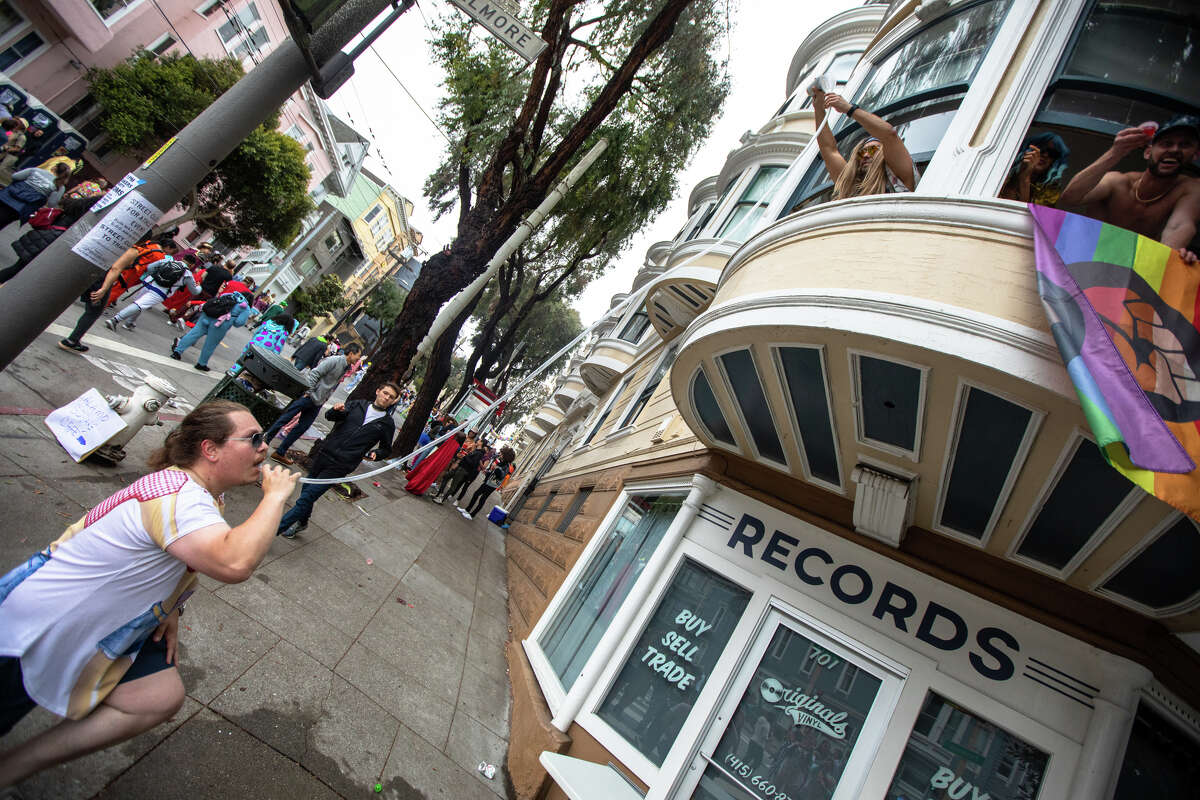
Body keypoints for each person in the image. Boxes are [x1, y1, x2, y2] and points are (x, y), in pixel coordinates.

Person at [0, 401, 300, 785]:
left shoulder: (198, 491)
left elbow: (171, 555)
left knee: (156, 696)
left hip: (88, 621)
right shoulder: (182, 496)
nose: (264, 447)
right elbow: (233, 563)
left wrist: (169, 610)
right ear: (210, 449)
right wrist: (274, 498)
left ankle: (13, 767)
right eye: (253, 438)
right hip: (45, 620)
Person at [1059, 115, 1200, 263]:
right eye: (1166, 143)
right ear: (1147, 152)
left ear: (1194, 155)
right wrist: (1116, 152)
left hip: (1131, 274)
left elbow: (1179, 227)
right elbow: (1070, 198)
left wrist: (1176, 259)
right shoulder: (1118, 182)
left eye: (1185, 145)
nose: (1175, 150)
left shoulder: (1189, 190)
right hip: (1082, 260)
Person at [275, 383, 399, 538]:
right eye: (385, 393)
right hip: (324, 454)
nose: (386, 397)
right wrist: (335, 411)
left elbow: (386, 449)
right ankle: (303, 522)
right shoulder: (357, 405)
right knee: (306, 492)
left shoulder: (387, 424)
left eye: (391, 397)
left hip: (341, 465)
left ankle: (272, 532)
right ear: (378, 391)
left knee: (307, 497)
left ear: (393, 401)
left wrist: (376, 453)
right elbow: (331, 417)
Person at [56, 236, 179, 354]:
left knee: (74, 300)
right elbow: (117, 268)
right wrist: (104, 289)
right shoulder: (152, 254)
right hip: (118, 277)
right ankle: (72, 340)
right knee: (94, 310)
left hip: (100, 271)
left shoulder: (145, 246)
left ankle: (71, 338)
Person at [265, 343, 363, 465]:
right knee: (285, 418)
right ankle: (264, 442)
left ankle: (280, 452)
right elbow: (315, 373)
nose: (358, 360)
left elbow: (330, 385)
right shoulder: (334, 360)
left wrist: (323, 399)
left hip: (317, 401)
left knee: (302, 426)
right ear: (351, 353)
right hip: (308, 397)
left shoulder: (346, 367)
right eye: (358, 356)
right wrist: (308, 392)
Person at [811, 90, 916, 200]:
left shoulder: (897, 179)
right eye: (861, 153)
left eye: (872, 150)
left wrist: (849, 109)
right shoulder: (851, 187)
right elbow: (828, 150)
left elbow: (889, 135)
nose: (865, 155)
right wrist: (819, 109)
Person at [0, 195, 100, 284]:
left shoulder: (78, 206)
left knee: (18, 268)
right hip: (50, 241)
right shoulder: (87, 216)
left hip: (45, 236)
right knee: (18, 270)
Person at [106, 254, 201, 332]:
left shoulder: (168, 261)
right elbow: (194, 291)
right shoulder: (188, 274)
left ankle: (129, 322)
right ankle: (115, 320)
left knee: (140, 304)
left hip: (149, 283)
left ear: (183, 258)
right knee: (139, 305)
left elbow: (150, 267)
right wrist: (199, 286)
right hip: (160, 292)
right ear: (192, 265)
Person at [170, 289, 252, 372]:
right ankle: (201, 363)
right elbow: (238, 323)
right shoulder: (245, 307)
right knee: (210, 345)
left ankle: (177, 352)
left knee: (193, 334)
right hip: (220, 324)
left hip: (206, 316)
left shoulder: (229, 295)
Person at [999, 132, 1071, 206]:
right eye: (1041, 150)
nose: (1045, 155)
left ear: (1055, 162)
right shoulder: (1004, 172)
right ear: (1027, 150)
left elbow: (1028, 214)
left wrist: (1025, 178)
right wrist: (1022, 173)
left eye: (1052, 153)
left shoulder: (1051, 190)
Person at [0, 162, 70, 228]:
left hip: (6, 196)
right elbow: (51, 203)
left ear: (54, 168)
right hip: (21, 207)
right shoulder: (59, 186)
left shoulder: (35, 170)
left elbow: (15, 176)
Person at [229, 312, 295, 377]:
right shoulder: (284, 331)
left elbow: (257, 332)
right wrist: (274, 356)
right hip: (265, 350)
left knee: (244, 357)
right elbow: (278, 346)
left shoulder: (268, 322)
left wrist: (254, 340)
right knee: (255, 364)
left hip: (254, 343)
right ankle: (243, 376)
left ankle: (233, 371)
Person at [459, 446, 516, 519]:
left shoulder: (506, 465)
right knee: (477, 495)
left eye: (502, 454)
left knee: (481, 497)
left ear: (506, 456)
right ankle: (467, 510)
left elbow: (501, 475)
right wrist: (488, 472)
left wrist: (496, 468)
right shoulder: (501, 462)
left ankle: (472, 514)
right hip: (489, 481)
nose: (500, 455)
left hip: (492, 484)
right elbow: (494, 472)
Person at [405, 429, 463, 496]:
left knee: (424, 472)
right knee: (429, 476)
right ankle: (418, 488)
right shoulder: (457, 447)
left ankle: (414, 485)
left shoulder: (448, 440)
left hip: (434, 459)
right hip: (440, 463)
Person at [432, 432, 485, 506]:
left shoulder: (479, 453)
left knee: (453, 485)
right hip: (459, 466)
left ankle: (442, 499)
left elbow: (473, 464)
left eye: (479, 441)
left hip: (463, 470)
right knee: (446, 477)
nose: (477, 441)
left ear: (481, 444)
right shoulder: (475, 450)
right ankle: (438, 494)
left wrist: (465, 456)